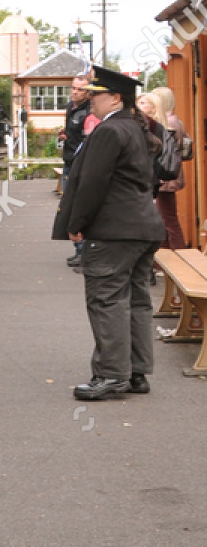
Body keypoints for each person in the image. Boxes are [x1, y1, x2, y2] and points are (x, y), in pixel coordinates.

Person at [52, 66, 166, 400]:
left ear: (115, 97)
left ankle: (111, 376)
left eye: (96, 95)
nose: (90, 101)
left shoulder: (109, 131)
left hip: (114, 230)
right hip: (144, 226)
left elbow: (93, 183)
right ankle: (136, 373)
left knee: (107, 300)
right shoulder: (136, 129)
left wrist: (77, 222)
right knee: (137, 300)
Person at [137, 90, 186, 249]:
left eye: (144, 102)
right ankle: (165, 258)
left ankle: (180, 255)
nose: (139, 105)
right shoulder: (172, 121)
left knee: (169, 220)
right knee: (163, 220)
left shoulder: (167, 123)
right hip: (168, 175)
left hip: (165, 177)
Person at [58, 71, 95, 268]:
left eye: (80, 89)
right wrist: (65, 134)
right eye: (73, 88)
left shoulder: (90, 111)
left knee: (78, 207)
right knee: (69, 206)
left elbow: (87, 139)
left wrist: (70, 138)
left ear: (88, 92)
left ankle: (84, 251)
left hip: (80, 163)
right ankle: (78, 249)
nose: (75, 92)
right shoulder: (70, 107)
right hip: (69, 161)